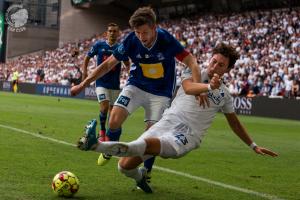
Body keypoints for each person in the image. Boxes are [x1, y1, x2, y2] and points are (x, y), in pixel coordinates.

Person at [77, 43, 278, 193]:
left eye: (221, 65)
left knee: (147, 144)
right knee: (124, 167)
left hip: (187, 135)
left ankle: (97, 145)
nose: (215, 66)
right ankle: (141, 179)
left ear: (228, 70)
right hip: (167, 121)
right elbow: (190, 88)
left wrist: (253, 145)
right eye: (214, 61)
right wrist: (209, 86)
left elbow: (234, 122)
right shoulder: (192, 70)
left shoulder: (225, 94)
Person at [71, 7, 204, 179]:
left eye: (145, 32)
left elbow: (191, 61)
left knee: (152, 136)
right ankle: (109, 149)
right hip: (136, 85)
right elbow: (107, 65)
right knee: (114, 120)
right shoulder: (131, 40)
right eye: (138, 32)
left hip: (161, 93)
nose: (142, 37)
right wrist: (83, 84)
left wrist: (199, 87)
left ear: (154, 28)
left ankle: (146, 172)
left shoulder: (166, 40)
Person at [82, 23, 130, 142]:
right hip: (101, 82)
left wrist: (129, 72)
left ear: (118, 33)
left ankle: (108, 134)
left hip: (114, 84)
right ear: (106, 33)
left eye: (115, 31)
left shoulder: (121, 48)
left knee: (112, 112)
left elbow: (127, 62)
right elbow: (87, 57)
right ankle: (102, 130)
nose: (112, 33)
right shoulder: (99, 45)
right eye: (110, 31)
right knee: (104, 106)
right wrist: (84, 73)